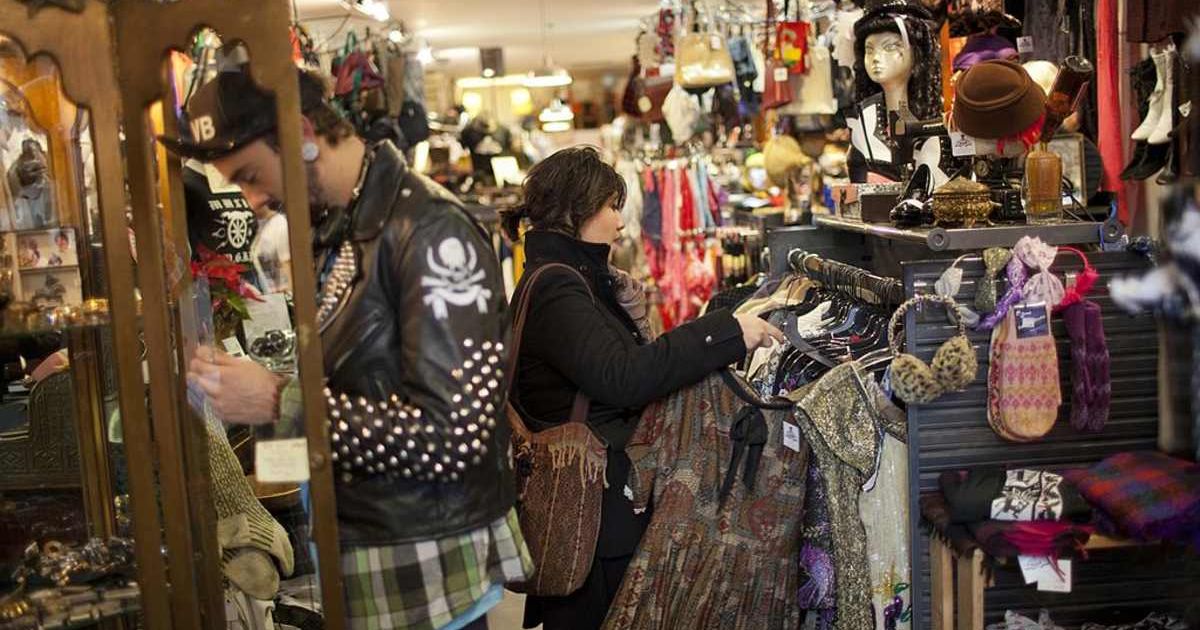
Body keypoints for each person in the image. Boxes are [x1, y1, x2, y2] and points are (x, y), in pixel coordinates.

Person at [166, 65, 528, 630]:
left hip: (424, 567)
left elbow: (456, 437)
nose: (253, 199)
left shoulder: (430, 232)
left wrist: (274, 402)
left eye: (252, 175)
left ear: (305, 134)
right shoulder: (340, 227)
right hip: (376, 553)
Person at [501, 147, 783, 630]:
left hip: (595, 509)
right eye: (611, 206)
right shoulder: (558, 288)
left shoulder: (573, 280)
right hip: (592, 518)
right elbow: (624, 377)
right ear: (577, 211)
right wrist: (728, 331)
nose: (620, 220)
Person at [250, 203, 291, 294]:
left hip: (285, 296)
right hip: (271, 295)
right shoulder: (261, 224)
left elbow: (288, 264)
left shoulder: (280, 224)